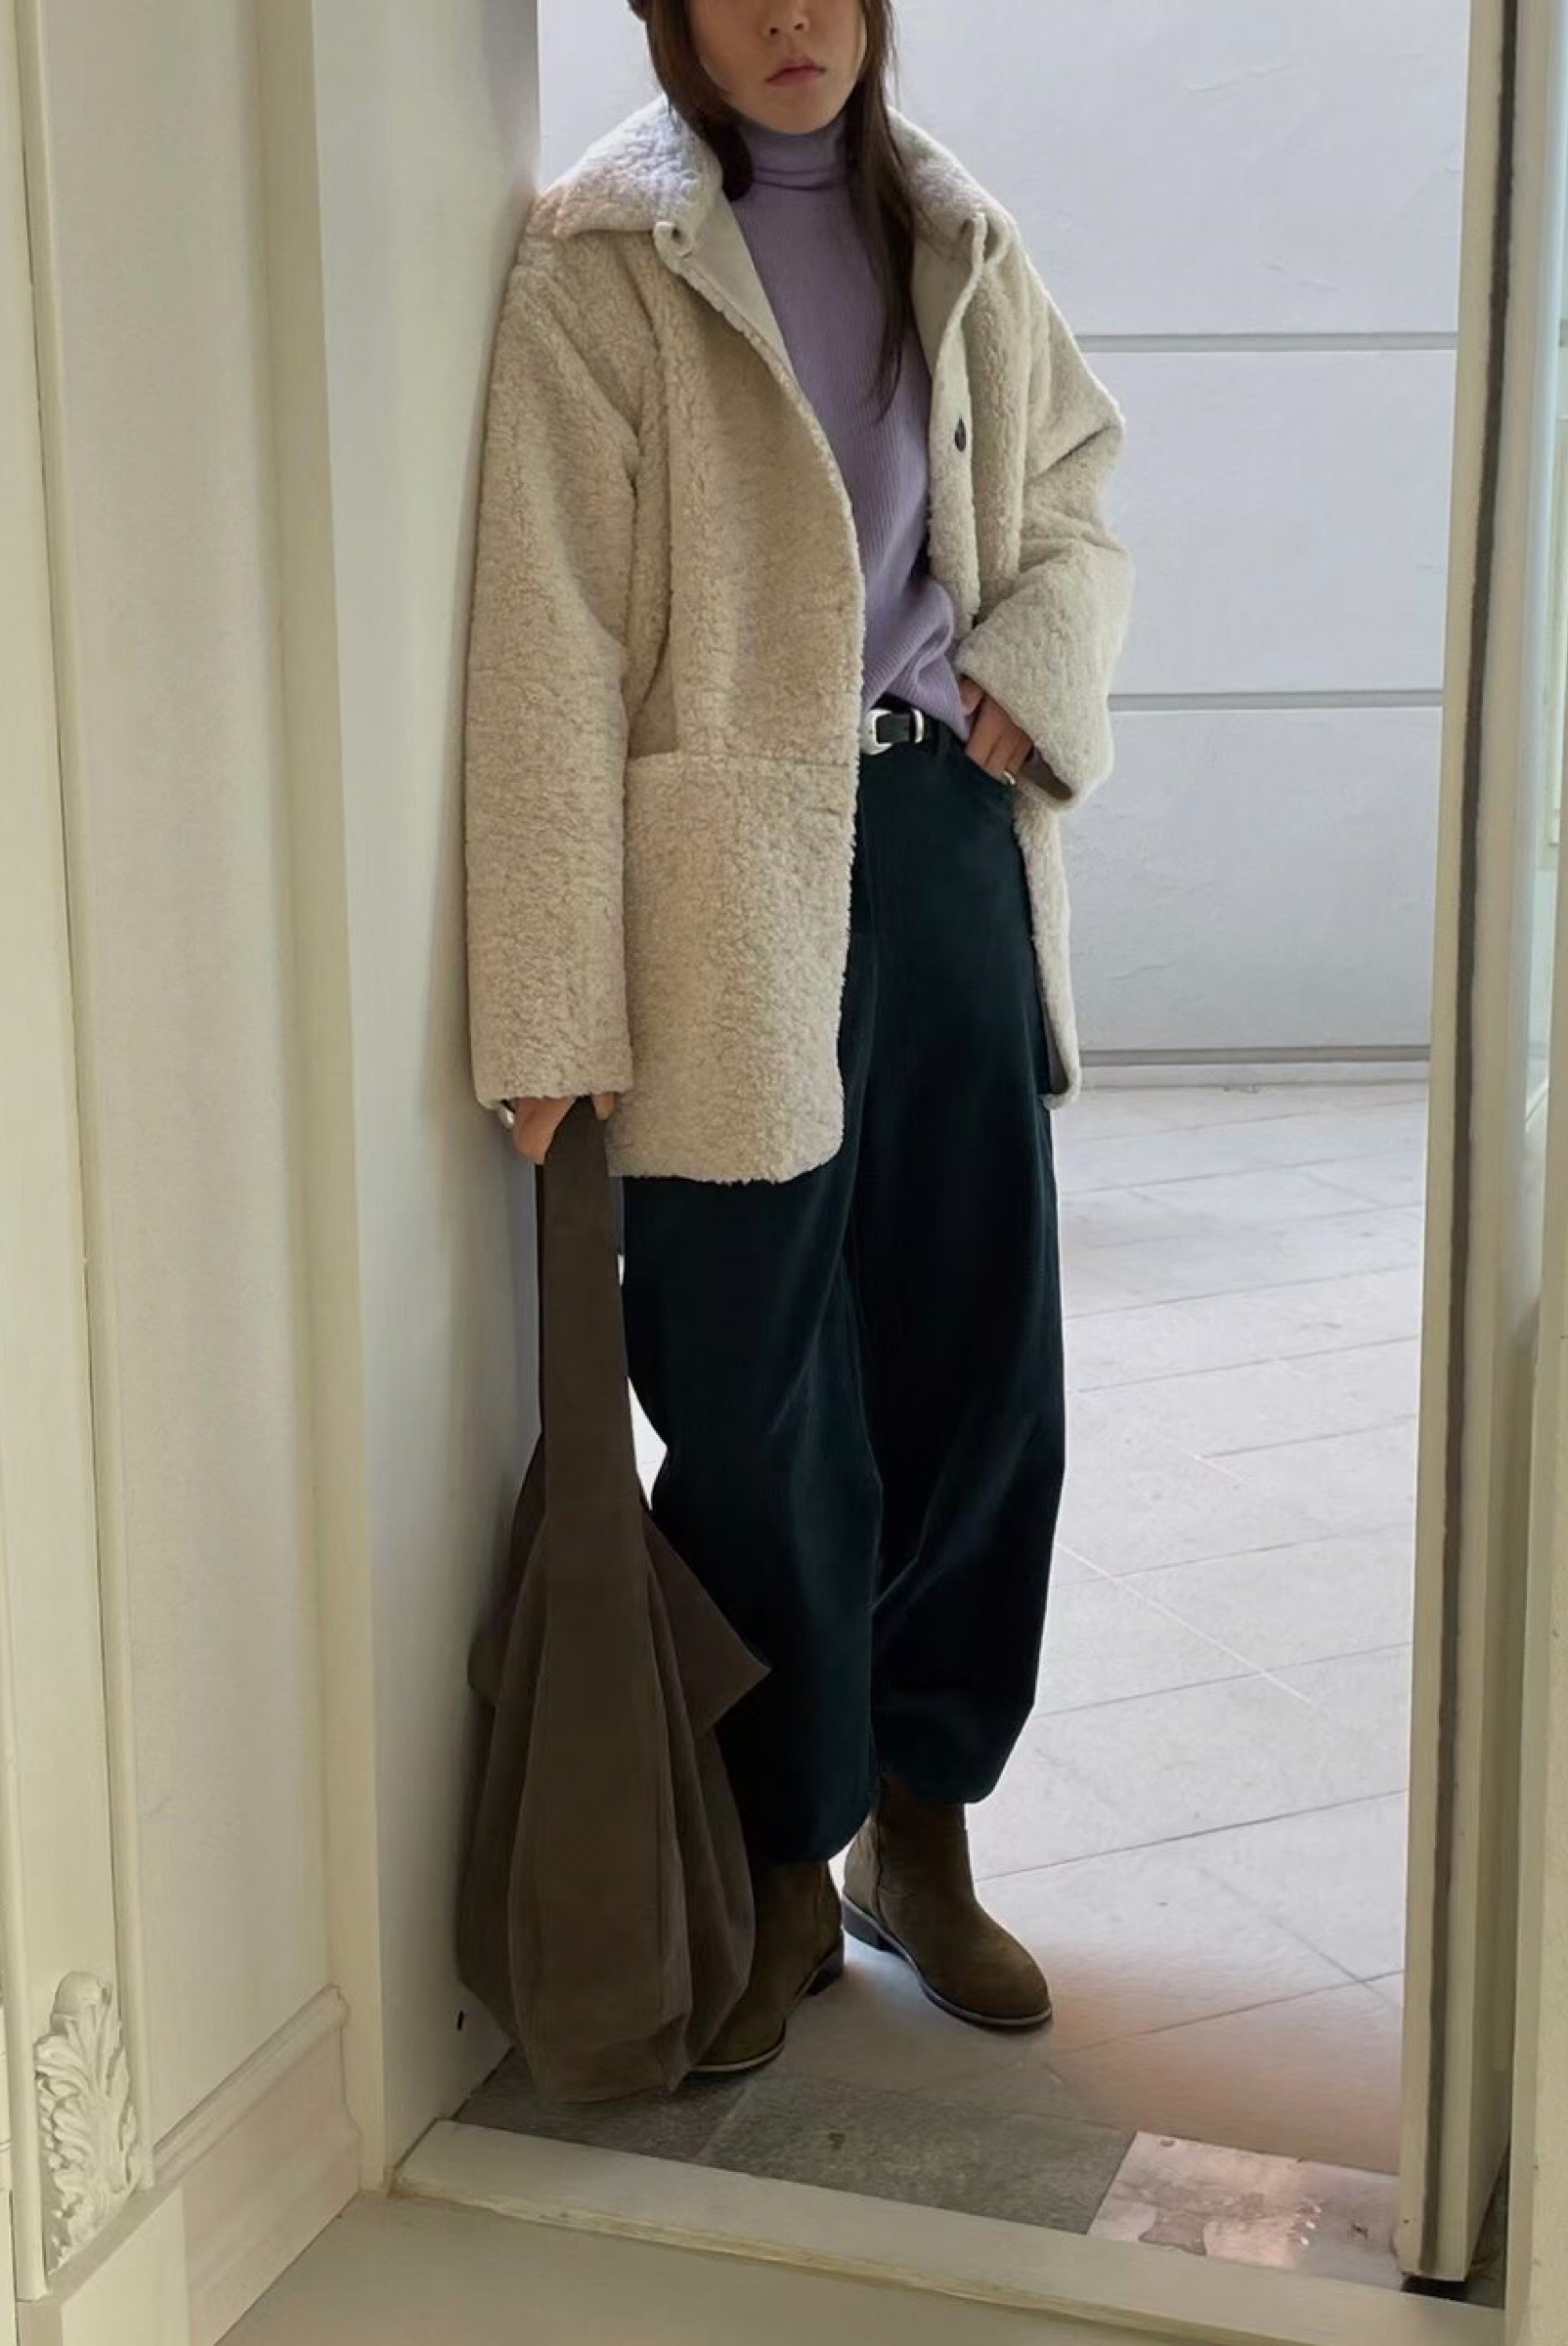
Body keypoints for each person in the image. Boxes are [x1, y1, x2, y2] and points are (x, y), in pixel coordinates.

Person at [462, 0, 1133, 2078]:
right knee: (749, 1396)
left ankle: (916, 1829)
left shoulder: (960, 232)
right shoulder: (601, 265)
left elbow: (1079, 492)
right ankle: (776, 1846)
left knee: (975, 1370)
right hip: (723, 891)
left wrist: (1024, 677)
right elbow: (548, 637)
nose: (786, 21)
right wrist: (552, 1001)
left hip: (936, 851)